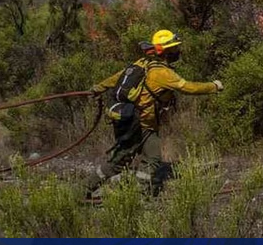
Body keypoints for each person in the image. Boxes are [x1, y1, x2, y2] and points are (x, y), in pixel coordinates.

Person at [84, 29, 223, 198]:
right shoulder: (161, 73)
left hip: (138, 123)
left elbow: (118, 77)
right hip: (138, 124)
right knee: (119, 162)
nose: (177, 51)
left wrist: (99, 87)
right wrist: (214, 86)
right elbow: (188, 87)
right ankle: (84, 189)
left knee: (152, 157)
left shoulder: (142, 63)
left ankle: (143, 192)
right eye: (174, 48)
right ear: (166, 51)